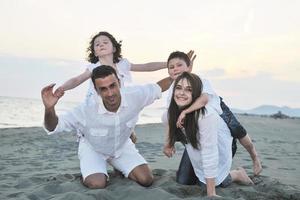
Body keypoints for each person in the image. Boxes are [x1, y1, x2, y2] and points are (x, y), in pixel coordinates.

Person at [42, 65, 172, 189]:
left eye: (112, 86)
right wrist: (49, 108)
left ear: (119, 83)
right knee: (97, 184)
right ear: (96, 90)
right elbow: (53, 127)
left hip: (121, 146)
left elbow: (159, 87)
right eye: (103, 89)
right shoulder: (86, 110)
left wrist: (180, 73)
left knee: (146, 180)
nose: (110, 93)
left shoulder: (135, 95)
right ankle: (92, 171)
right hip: (93, 148)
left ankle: (118, 167)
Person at [163, 51, 262, 185]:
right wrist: (169, 143)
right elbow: (170, 115)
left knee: (238, 132)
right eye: (171, 67)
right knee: (184, 180)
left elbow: (204, 99)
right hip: (196, 131)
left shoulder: (201, 80)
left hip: (218, 113)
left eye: (179, 65)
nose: (175, 69)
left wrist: (186, 111)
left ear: (189, 67)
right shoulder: (173, 91)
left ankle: (253, 158)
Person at [54, 31, 168, 143]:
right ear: (95, 52)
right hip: (97, 109)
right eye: (97, 44)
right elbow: (77, 79)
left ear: (114, 48)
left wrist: (168, 64)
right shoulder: (94, 67)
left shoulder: (122, 64)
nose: (101, 45)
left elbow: (146, 67)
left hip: (118, 106)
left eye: (105, 42)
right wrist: (62, 88)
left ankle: (128, 131)